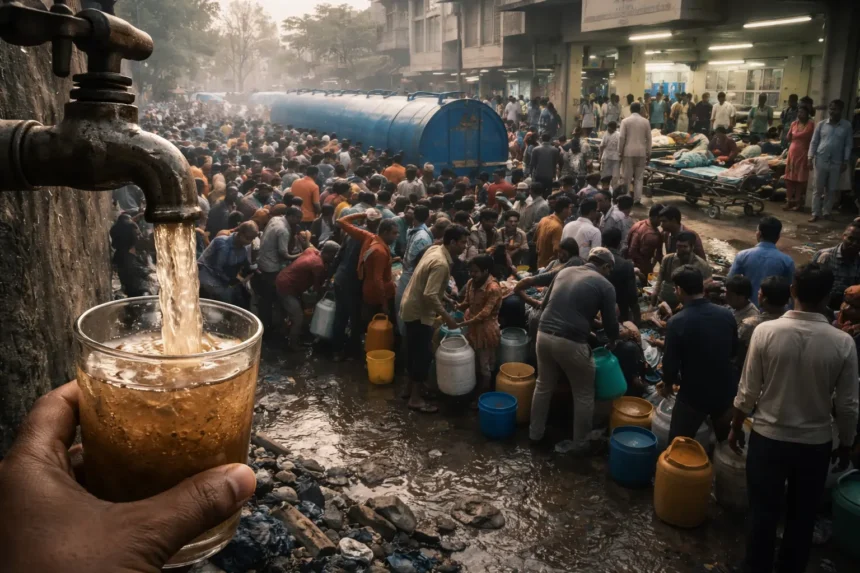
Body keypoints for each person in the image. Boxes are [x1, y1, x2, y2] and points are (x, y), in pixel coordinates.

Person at [730, 263, 858, 573]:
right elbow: (849, 405)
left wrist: (735, 427)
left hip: (768, 439)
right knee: (802, 516)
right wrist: (846, 445)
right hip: (814, 445)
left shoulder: (765, 331)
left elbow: (747, 392)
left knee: (763, 512)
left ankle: (755, 566)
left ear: (792, 292)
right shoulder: (842, 342)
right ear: (828, 297)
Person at [530, 247, 619, 452]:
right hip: (571, 342)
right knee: (584, 393)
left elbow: (544, 305)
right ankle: (580, 444)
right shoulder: (605, 285)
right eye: (609, 270)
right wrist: (613, 340)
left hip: (543, 334)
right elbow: (611, 324)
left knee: (543, 385)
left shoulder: (565, 271)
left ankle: (535, 434)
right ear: (605, 266)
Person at [661, 264, 738, 446]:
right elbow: (733, 351)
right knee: (724, 440)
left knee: (679, 441)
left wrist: (667, 384)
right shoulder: (726, 314)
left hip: (694, 393)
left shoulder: (677, 322)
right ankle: (720, 467)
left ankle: (675, 471)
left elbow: (670, 363)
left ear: (679, 290)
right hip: (726, 390)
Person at [401, 226, 470, 413]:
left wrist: (446, 297)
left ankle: (410, 389)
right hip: (419, 313)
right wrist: (449, 319)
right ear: (453, 242)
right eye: (463, 242)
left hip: (411, 305)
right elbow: (430, 295)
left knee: (413, 351)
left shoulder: (435, 249)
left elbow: (429, 285)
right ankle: (415, 399)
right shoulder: (441, 263)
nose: (465, 246)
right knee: (422, 354)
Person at [275, 241, 339, 350]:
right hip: (287, 288)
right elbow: (317, 288)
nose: (335, 258)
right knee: (298, 317)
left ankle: (286, 334)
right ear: (329, 254)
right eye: (335, 256)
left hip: (283, 279)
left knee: (292, 311)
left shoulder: (311, 251)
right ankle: (293, 344)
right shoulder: (318, 265)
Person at [457, 254, 503, 400]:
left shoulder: (493, 288)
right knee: (474, 359)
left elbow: (485, 313)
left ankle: (484, 394)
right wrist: (457, 305)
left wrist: (464, 323)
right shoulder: (471, 283)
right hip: (472, 327)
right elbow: (467, 302)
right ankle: (475, 386)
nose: (472, 274)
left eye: (476, 271)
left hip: (486, 329)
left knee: (485, 363)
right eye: (471, 271)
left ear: (486, 271)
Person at [338, 211, 399, 318]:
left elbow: (342, 221)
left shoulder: (370, 237)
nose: (396, 236)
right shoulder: (380, 251)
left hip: (366, 288)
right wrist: (384, 304)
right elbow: (377, 279)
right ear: (385, 232)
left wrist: (362, 214)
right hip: (377, 295)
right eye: (394, 233)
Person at [254, 206, 305, 332]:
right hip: (271, 267)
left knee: (264, 298)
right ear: (291, 217)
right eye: (298, 218)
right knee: (271, 298)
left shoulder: (276, 219)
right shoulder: (284, 231)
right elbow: (284, 254)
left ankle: (265, 324)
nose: (299, 221)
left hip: (262, 260)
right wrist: (302, 255)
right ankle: (268, 328)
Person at [728, 216, 796, 307]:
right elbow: (792, 292)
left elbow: (730, 282)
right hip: (775, 311)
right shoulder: (787, 261)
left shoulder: (743, 255)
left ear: (759, 234)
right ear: (778, 237)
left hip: (747, 309)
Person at [808, 99, 854, 222]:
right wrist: (810, 157)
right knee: (817, 188)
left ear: (841, 110)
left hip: (837, 162)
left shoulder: (846, 126)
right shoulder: (822, 124)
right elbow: (814, 141)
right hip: (821, 159)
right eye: (831, 109)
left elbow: (848, 144)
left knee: (831, 189)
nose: (832, 112)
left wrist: (845, 160)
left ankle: (827, 212)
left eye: (835, 109)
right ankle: (815, 213)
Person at [197, 221, 259, 309]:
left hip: (224, 278)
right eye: (248, 238)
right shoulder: (223, 244)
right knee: (228, 303)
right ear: (240, 234)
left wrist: (252, 267)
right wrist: (233, 280)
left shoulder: (243, 247)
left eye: (252, 239)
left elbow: (245, 263)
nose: (250, 241)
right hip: (209, 277)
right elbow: (217, 268)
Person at [736, 275, 790, 367]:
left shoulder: (750, 325)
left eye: (759, 293)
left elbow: (738, 356)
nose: (757, 294)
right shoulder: (793, 324)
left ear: (764, 299)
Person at [651, 231, 712, 309]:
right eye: (679, 246)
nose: (681, 250)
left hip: (688, 306)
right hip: (664, 302)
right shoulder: (668, 259)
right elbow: (659, 281)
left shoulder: (702, 265)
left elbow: (708, 285)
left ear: (692, 247)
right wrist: (653, 301)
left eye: (684, 247)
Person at [811, 220, 860, 310]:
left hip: (850, 310)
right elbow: (809, 283)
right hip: (823, 308)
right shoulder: (824, 256)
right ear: (843, 236)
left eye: (859, 241)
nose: (854, 244)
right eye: (851, 239)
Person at [111, 215, 155, 297]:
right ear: (128, 238)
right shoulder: (127, 260)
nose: (140, 235)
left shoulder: (132, 252)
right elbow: (139, 286)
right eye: (137, 234)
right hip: (139, 297)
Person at [602, 227, 640, 324]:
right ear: (619, 244)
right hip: (620, 314)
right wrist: (638, 320)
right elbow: (632, 296)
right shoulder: (626, 265)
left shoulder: (595, 260)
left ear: (602, 242)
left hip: (598, 311)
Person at [783, 104, 815, 211]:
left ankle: (797, 202)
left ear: (807, 114)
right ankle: (788, 201)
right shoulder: (794, 124)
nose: (800, 114)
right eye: (799, 112)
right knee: (789, 179)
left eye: (802, 112)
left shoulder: (811, 125)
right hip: (792, 153)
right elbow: (788, 137)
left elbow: (813, 140)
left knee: (799, 180)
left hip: (803, 153)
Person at [618, 102, 652, 203]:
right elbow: (649, 139)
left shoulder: (625, 121)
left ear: (630, 110)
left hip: (628, 152)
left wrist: (620, 151)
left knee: (627, 177)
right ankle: (637, 199)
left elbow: (621, 137)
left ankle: (627, 197)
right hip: (641, 152)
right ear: (640, 110)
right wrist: (649, 153)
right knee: (639, 178)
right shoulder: (646, 122)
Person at [626, 203, 664, 275]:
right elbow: (655, 255)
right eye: (661, 219)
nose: (662, 222)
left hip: (629, 264)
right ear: (656, 217)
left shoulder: (638, 224)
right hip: (641, 269)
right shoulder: (651, 234)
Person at [534, 196, 571, 268]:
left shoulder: (543, 220)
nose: (571, 212)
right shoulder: (557, 227)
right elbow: (557, 251)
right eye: (570, 208)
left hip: (540, 264)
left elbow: (535, 240)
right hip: (551, 267)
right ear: (564, 210)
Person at [599, 121, 621, 188]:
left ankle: (614, 189)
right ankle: (605, 188)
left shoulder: (618, 135)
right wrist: (600, 155)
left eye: (610, 128)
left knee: (615, 176)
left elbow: (620, 147)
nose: (608, 129)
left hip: (616, 158)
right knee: (605, 175)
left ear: (614, 128)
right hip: (606, 157)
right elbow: (602, 146)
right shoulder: (606, 134)